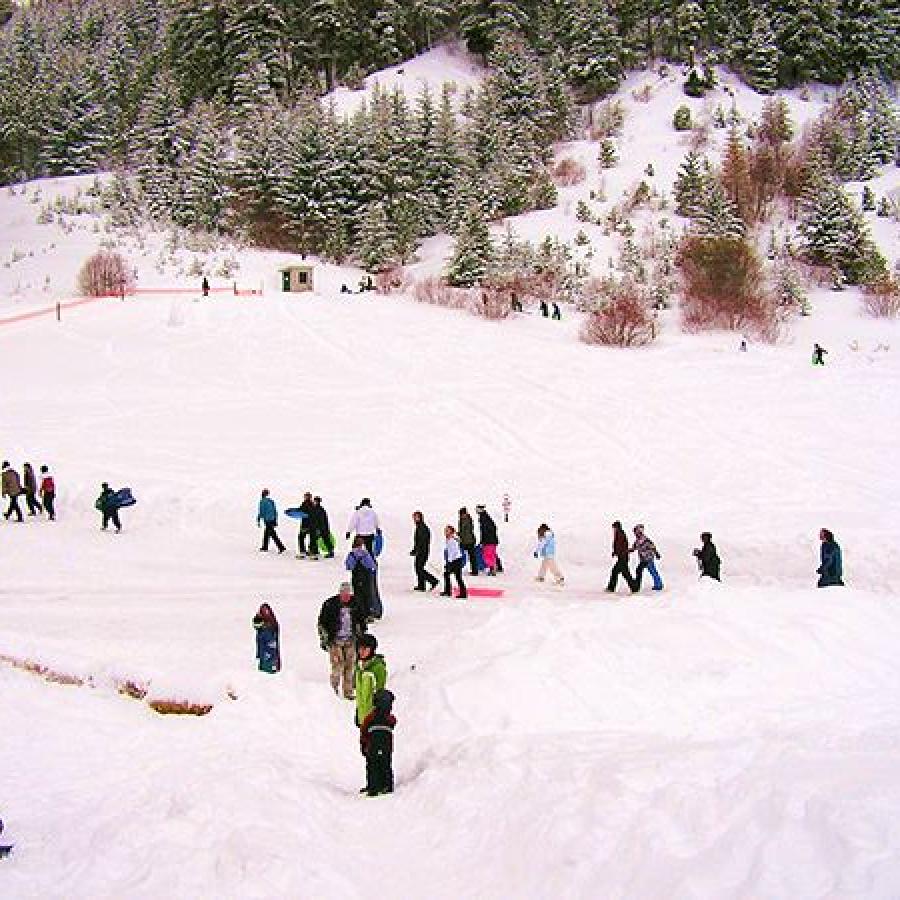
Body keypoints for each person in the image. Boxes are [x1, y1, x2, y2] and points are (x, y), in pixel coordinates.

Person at [318, 582, 367, 698]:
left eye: (348, 594)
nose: (346, 596)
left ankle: (348, 691)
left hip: (351, 640)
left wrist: (361, 635)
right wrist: (324, 639)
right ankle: (333, 690)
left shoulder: (356, 604)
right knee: (337, 666)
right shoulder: (330, 604)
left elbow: (362, 621)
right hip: (335, 641)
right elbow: (322, 623)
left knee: (350, 667)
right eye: (343, 593)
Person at [360, 688, 396, 797]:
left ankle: (373, 787)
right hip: (386, 745)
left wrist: (363, 745)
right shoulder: (389, 718)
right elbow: (393, 722)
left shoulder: (370, 717)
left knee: (372, 765)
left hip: (372, 745)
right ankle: (387, 785)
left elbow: (364, 730)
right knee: (385, 763)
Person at [354, 633, 387, 727]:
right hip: (363, 718)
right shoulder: (359, 667)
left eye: (365, 649)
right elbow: (360, 693)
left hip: (374, 719)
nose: (362, 651)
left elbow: (380, 692)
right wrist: (358, 711)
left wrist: (378, 716)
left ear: (372, 649)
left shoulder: (378, 668)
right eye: (360, 648)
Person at [346, 536, 380, 621]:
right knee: (368, 595)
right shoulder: (365, 554)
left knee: (358, 596)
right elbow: (372, 565)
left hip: (356, 578)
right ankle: (369, 613)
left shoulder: (351, 554)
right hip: (366, 578)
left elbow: (349, 566)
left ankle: (360, 613)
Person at [411, 511, 439, 591]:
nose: (414, 519)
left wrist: (418, 550)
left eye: (416, 517)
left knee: (419, 568)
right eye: (414, 517)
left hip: (423, 551)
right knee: (418, 568)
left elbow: (422, 541)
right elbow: (418, 541)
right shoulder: (419, 527)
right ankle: (421, 585)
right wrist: (415, 550)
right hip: (421, 551)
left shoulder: (422, 528)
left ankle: (433, 580)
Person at [606, 520, 636, 593]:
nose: (613, 529)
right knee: (623, 573)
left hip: (622, 557)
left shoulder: (620, 534)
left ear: (617, 527)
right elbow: (618, 546)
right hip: (622, 556)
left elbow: (621, 546)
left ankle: (611, 588)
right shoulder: (619, 533)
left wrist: (617, 552)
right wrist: (615, 552)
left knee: (618, 572)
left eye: (614, 527)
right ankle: (634, 587)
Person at [632, 524, 664, 591]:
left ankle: (659, 584)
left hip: (648, 558)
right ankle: (658, 584)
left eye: (635, 532)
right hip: (643, 558)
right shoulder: (637, 540)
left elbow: (652, 547)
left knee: (650, 570)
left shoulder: (645, 539)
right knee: (650, 570)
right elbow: (634, 548)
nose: (634, 533)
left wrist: (656, 553)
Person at [252, 603, 280, 673]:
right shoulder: (261, 631)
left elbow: (271, 645)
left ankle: (271, 668)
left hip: (269, 658)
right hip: (265, 657)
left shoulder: (268, 631)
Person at [442, 525, 467, 598]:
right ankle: (448, 591)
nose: (445, 532)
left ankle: (462, 593)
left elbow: (453, 552)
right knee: (447, 575)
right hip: (454, 560)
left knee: (457, 577)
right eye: (445, 530)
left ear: (451, 532)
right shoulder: (449, 539)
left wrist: (449, 563)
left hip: (455, 561)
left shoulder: (452, 541)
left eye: (447, 530)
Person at [257, 488, 285, 553]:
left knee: (272, 534)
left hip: (267, 520)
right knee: (267, 533)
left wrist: (258, 519)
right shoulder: (271, 501)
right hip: (272, 519)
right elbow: (275, 511)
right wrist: (275, 520)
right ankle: (265, 547)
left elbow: (262, 512)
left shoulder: (262, 501)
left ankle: (281, 547)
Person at [476, 504, 499, 575]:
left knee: (488, 555)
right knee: (492, 554)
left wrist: (483, 540)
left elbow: (484, 530)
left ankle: (493, 569)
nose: (476, 511)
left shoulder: (483, 517)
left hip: (488, 541)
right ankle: (495, 568)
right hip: (491, 540)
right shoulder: (486, 517)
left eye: (477, 509)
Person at [297, 491, 318, 559]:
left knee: (301, 537)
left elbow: (300, 512)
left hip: (305, 525)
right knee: (312, 538)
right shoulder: (313, 504)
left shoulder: (304, 504)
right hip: (312, 525)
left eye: (305, 496)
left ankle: (302, 551)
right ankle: (312, 551)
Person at [458, 506, 478, 576]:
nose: (461, 516)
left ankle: (475, 571)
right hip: (465, 540)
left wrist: (459, 535)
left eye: (462, 514)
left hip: (469, 541)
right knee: (460, 556)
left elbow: (465, 531)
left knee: (472, 557)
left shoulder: (467, 520)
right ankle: (457, 569)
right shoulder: (462, 520)